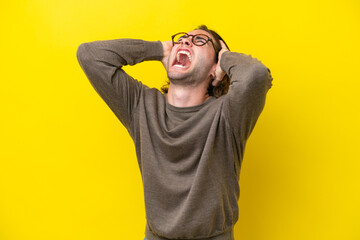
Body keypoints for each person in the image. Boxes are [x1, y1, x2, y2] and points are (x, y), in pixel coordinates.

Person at [76, 25, 273, 240]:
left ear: (213, 69)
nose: (185, 42)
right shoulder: (140, 105)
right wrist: (159, 49)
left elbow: (256, 75)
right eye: (182, 39)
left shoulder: (228, 114)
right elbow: (89, 55)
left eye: (200, 41)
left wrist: (225, 59)